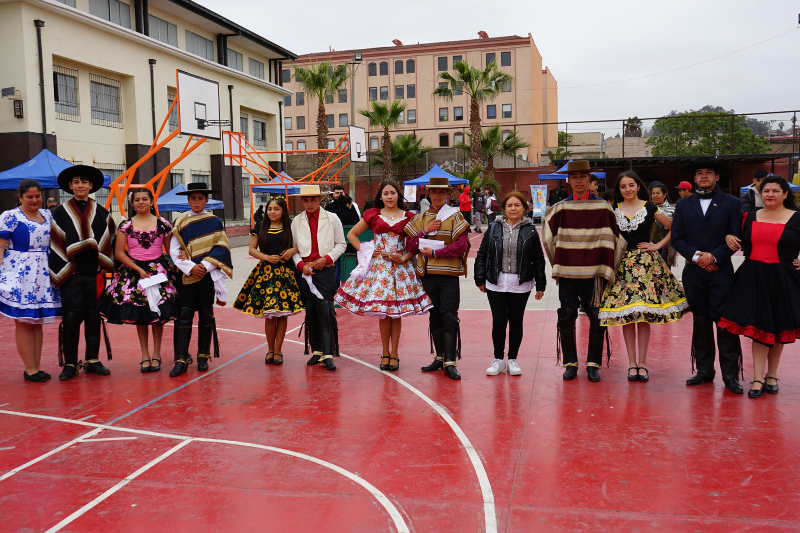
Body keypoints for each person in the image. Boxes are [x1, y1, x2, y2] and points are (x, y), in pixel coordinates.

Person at [599, 172, 689, 382]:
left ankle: (643, 363)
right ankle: (632, 364)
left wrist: (657, 245)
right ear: (618, 189)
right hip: (622, 267)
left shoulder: (650, 207)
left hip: (647, 267)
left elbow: (675, 227)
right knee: (627, 316)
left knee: (643, 316)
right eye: (623, 186)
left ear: (638, 186)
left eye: (631, 185)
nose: (628, 189)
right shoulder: (612, 210)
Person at [542, 160, 626, 382]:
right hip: (568, 272)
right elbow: (548, 237)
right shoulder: (560, 209)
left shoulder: (604, 208)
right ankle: (570, 363)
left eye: (583, 176)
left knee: (596, 315)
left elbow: (615, 239)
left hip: (595, 273)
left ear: (590, 180)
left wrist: (607, 266)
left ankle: (593, 364)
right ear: (569, 181)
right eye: (574, 177)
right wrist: (559, 264)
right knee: (567, 315)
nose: (578, 181)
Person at [335, 180, 433, 370]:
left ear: (398, 196)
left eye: (393, 193)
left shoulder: (409, 216)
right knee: (384, 314)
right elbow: (352, 235)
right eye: (386, 193)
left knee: (396, 314)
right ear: (380, 196)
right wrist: (368, 251)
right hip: (379, 269)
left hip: (400, 268)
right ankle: (385, 353)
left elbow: (415, 244)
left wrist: (403, 257)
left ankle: (394, 354)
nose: (389, 197)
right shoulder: (373, 214)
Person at [719, 176, 800, 397]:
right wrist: (727, 236)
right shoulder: (749, 216)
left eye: (775, 190)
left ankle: (771, 375)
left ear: (785, 194)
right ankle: (757, 378)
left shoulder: (796, 218)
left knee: (777, 329)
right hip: (752, 278)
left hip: (782, 279)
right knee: (758, 329)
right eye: (766, 191)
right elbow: (733, 235)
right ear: (760, 193)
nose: (770, 194)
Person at [671, 157, 744, 394]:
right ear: (694, 179)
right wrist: (697, 257)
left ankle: (731, 375)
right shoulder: (683, 205)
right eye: (700, 173)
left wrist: (713, 257)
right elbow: (677, 238)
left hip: (721, 271)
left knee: (725, 323)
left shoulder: (732, 203)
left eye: (709, 172)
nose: (704, 176)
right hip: (694, 272)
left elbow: (735, 236)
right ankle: (704, 371)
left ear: (717, 177)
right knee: (700, 322)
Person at [98, 188, 177, 373]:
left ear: (151, 202)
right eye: (137, 200)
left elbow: (170, 250)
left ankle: (157, 355)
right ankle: (145, 356)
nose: (141, 202)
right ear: (132, 204)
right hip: (134, 274)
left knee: (158, 315)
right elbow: (118, 252)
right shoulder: (125, 225)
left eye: (145, 199)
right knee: (140, 316)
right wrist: (138, 269)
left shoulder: (163, 223)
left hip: (158, 273)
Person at [49, 166, 116, 381]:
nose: (80, 185)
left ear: (91, 186)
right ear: (70, 186)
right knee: (71, 317)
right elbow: (55, 242)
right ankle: (70, 364)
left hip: (95, 273)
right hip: (71, 275)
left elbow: (109, 240)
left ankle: (92, 360)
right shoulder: (59, 212)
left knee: (93, 316)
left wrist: (105, 266)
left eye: (84, 182)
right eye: (76, 182)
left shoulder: (102, 212)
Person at [405, 176, 470, 380]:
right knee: (434, 317)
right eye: (434, 192)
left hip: (448, 275)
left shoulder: (456, 216)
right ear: (429, 194)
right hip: (428, 276)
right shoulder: (420, 218)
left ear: (448, 194)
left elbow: (461, 245)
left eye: (442, 192)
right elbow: (409, 245)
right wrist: (425, 231)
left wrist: (436, 254)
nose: (438, 195)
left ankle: (450, 361)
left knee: (449, 316)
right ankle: (440, 357)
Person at [474, 191, 546, 376]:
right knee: (498, 321)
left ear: (524, 208)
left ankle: (512, 359)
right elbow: (482, 254)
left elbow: (538, 259)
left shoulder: (531, 231)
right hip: (496, 282)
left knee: (516, 321)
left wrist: (541, 284)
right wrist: (480, 278)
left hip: (520, 283)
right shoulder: (494, 228)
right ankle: (498, 359)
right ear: (504, 208)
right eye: (509, 205)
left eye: (517, 205)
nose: (513, 208)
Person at [169, 183, 233, 377]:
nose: (197, 202)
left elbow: (221, 247)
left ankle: (203, 356)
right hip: (186, 276)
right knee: (184, 316)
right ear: (188, 200)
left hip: (206, 276)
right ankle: (181, 358)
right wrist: (190, 267)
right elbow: (173, 250)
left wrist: (204, 266)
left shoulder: (214, 221)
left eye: (200, 198)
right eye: (193, 198)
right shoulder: (180, 222)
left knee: (206, 315)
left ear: (206, 200)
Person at [0, 179, 61, 382]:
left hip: (43, 271)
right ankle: (30, 368)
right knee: (24, 323)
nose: (34, 200)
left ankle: (37, 366)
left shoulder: (47, 214)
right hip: (19, 271)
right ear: (20, 197)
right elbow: (0, 247)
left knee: (37, 322)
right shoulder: (10, 216)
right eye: (29, 197)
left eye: (37, 196)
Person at [234, 197, 303, 365]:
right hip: (265, 274)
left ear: (283, 211)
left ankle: (279, 350)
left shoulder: (291, 226)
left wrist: (292, 250)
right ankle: (270, 349)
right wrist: (266, 257)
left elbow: (303, 244)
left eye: (276, 209)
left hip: (286, 273)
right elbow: (252, 249)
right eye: (270, 209)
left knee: (282, 314)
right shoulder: (260, 227)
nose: (272, 212)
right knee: (270, 315)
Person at [291, 184, 347, 371]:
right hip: (305, 272)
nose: (309, 203)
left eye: (313, 199)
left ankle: (328, 353)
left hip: (326, 270)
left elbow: (341, 244)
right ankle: (316, 350)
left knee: (326, 309)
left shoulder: (332, 219)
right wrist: (301, 265)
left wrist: (326, 259)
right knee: (311, 311)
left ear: (320, 199)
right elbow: (294, 249)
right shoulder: (296, 221)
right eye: (305, 200)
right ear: (301, 201)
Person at [650, 181, 678, 268]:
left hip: (667, 246)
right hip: (651, 244)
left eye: (658, 193)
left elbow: (677, 228)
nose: (655, 195)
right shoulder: (647, 208)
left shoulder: (673, 209)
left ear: (664, 195)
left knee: (666, 270)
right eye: (653, 193)